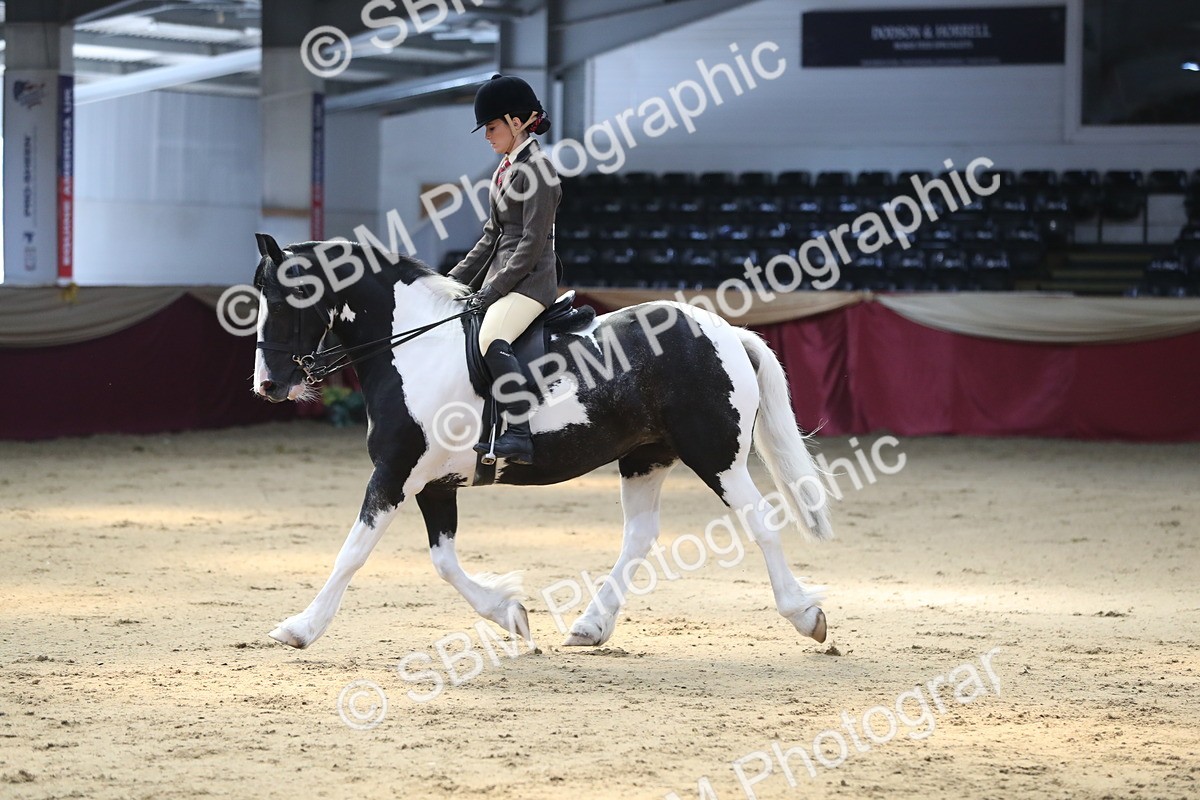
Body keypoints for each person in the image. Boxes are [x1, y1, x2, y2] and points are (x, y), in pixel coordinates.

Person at [449, 74, 560, 466]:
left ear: (516, 122)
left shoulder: (539, 170)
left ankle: (519, 432)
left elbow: (532, 243)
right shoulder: (507, 169)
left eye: (492, 127)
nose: (487, 136)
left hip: (531, 283)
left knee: (491, 336)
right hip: (506, 279)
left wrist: (493, 289)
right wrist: (450, 282)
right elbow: (490, 237)